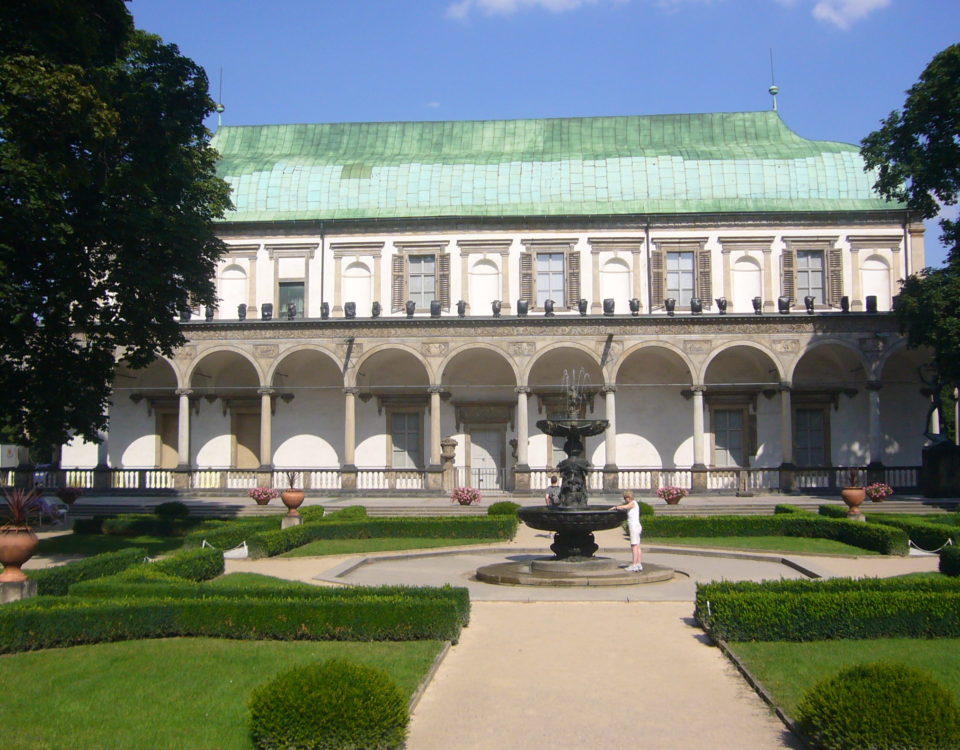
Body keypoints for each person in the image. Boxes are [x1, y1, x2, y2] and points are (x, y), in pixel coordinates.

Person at [611, 489, 643, 571]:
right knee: (637, 546)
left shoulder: (632, 503)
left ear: (629, 497)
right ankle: (639, 563)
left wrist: (616, 507)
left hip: (634, 526)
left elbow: (626, 507)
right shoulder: (634, 503)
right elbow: (626, 508)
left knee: (634, 546)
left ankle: (634, 564)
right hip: (637, 526)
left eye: (625, 498)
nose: (625, 500)